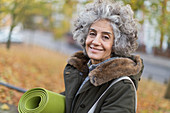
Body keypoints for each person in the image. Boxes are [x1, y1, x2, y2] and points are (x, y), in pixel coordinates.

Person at [62, 0, 144, 113]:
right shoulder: (82, 72)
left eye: (105, 37)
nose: (95, 41)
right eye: (92, 33)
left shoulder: (122, 88)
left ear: (117, 44)